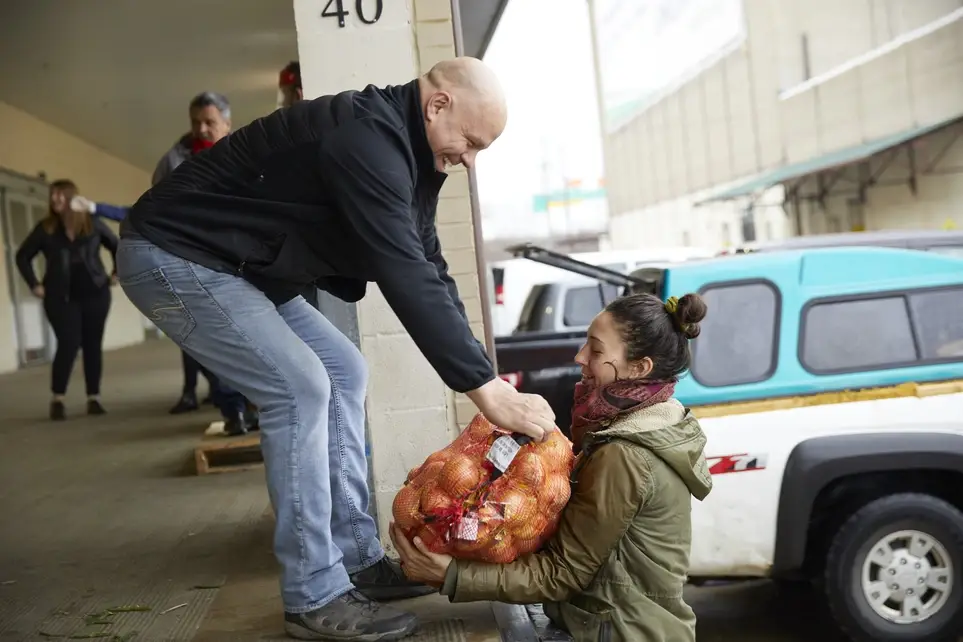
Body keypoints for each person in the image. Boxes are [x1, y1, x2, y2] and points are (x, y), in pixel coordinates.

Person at [114, 56, 556, 641]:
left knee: (342, 368)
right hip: (173, 255)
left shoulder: (409, 152)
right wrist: (483, 390)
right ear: (438, 104)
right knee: (299, 388)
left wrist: (489, 377)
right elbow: (402, 272)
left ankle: (355, 559)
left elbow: (430, 266)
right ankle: (312, 595)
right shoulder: (365, 140)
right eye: (470, 142)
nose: (470, 160)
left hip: (240, 268)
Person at [391, 292, 715, 642]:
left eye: (596, 350)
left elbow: (563, 572)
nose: (580, 357)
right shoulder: (644, 424)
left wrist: (452, 574)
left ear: (639, 369)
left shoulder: (625, 455)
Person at [74, 92, 254, 432]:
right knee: (210, 342)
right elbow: (149, 212)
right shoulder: (172, 161)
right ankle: (234, 410)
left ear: (227, 125)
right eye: (195, 122)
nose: (201, 129)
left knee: (248, 338)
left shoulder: (245, 153)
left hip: (240, 263)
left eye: (209, 123)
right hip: (194, 262)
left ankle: (248, 405)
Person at [15, 180, 118, 420]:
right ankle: (58, 398)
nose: (55, 200)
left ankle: (94, 397)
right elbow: (22, 256)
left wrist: (117, 272)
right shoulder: (46, 228)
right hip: (60, 297)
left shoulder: (92, 224)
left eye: (60, 195)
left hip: (96, 293)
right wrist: (34, 283)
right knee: (69, 343)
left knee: (93, 345)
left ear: (72, 197)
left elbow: (117, 245)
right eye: (53, 196)